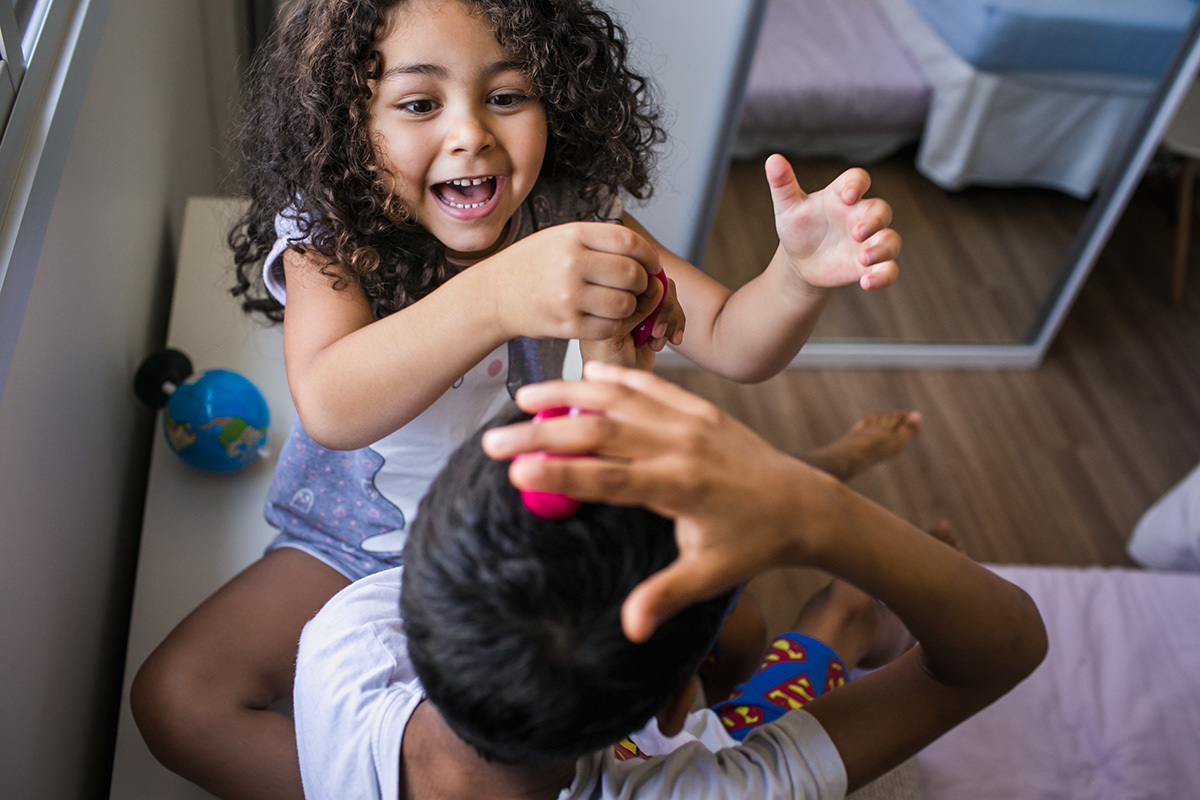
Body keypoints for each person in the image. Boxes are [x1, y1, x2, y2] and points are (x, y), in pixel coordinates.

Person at [131, 1, 900, 797]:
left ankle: (821, 581)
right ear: (349, 122)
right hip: (352, 545)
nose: (471, 134)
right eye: (419, 103)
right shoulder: (331, 233)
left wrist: (796, 276)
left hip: (524, 535)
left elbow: (735, 340)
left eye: (506, 96)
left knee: (736, 637)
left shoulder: (566, 212)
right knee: (176, 702)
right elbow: (331, 402)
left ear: (557, 98)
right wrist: (499, 294)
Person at [292, 362, 1046, 800]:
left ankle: (842, 573)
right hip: (701, 733)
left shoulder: (342, 644)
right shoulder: (705, 786)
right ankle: (859, 605)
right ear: (681, 704)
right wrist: (820, 515)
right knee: (829, 616)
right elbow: (1001, 652)